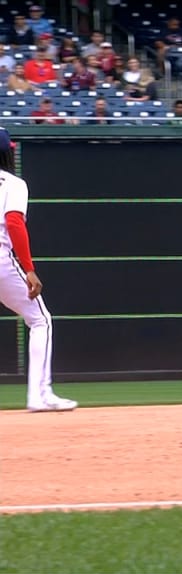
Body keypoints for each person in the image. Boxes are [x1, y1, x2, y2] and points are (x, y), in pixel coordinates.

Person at [0, 128, 77, 412]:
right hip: (0, 261)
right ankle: (40, 395)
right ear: (9, 151)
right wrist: (29, 269)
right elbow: (14, 223)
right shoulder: (13, 183)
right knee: (40, 320)